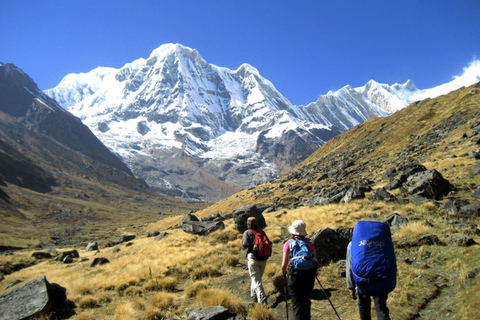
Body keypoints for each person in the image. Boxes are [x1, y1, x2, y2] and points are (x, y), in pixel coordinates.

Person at [281, 220, 318, 320]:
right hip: (309, 274)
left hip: (295, 275)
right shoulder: (309, 243)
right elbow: (315, 261)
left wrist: (283, 273)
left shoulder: (288, 243)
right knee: (306, 301)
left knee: (297, 303)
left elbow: (284, 264)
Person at [346, 241, 391, 320]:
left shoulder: (353, 244)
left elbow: (350, 267)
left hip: (362, 280)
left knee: (364, 307)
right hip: (380, 279)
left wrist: (351, 287)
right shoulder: (381, 240)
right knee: (381, 308)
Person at [242, 217, 270, 304]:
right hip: (264, 258)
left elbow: (245, 245)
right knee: (256, 278)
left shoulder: (247, 232)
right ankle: (253, 294)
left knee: (256, 280)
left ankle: (262, 300)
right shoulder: (261, 232)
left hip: (253, 258)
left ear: (248, 224)